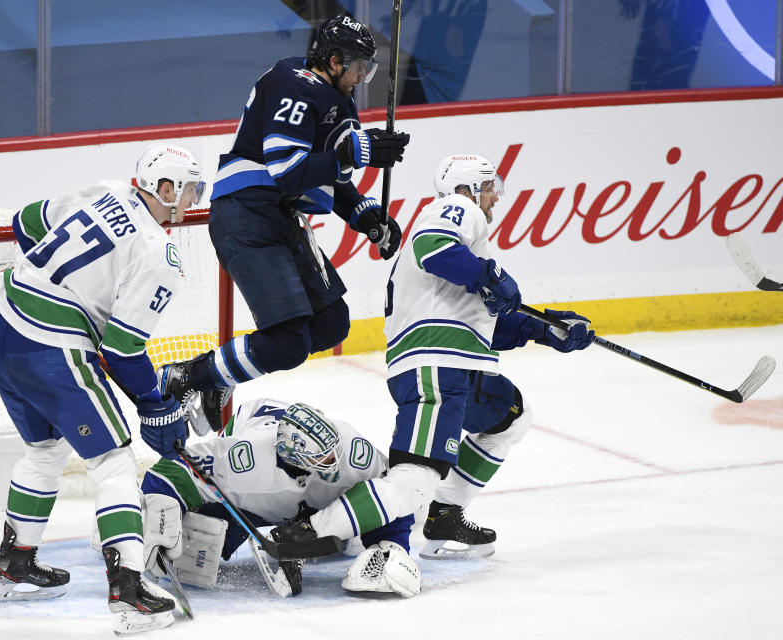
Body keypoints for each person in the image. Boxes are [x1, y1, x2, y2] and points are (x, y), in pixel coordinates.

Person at [270, 154, 595, 573]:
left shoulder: (462, 255)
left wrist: (546, 329)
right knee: (414, 478)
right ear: (465, 190)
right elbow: (433, 247)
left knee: (511, 416)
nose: (495, 194)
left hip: (459, 362)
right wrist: (489, 275)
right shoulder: (453, 209)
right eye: (488, 184)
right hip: (434, 365)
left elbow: (480, 322)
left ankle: (445, 516)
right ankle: (305, 533)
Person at [0, 144, 205, 634]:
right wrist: (156, 405)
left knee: (44, 449)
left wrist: (70, 284)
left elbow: (27, 224)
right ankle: (129, 593)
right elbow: (123, 351)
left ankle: (14, 565)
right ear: (165, 189)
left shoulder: (105, 190)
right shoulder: (158, 252)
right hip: (50, 349)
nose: (194, 199)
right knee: (114, 460)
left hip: (1, 325)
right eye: (191, 188)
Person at [158, 15, 411, 430]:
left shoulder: (337, 96)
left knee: (331, 323)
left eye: (370, 69)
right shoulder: (292, 83)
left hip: (281, 215)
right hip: (246, 212)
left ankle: (220, 374)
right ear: (333, 60)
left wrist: (367, 217)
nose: (363, 77)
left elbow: (328, 174)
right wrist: (353, 153)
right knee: (290, 342)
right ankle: (189, 376)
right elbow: (287, 169)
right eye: (359, 67)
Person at [138, 397, 422, 598]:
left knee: (347, 543)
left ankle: (305, 527)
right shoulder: (244, 459)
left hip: (303, 483)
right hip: (251, 427)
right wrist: (160, 519)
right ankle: (130, 527)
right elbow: (167, 473)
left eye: (333, 450)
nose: (335, 460)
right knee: (201, 542)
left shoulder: (353, 451)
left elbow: (396, 492)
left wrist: (392, 544)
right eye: (323, 457)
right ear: (295, 457)